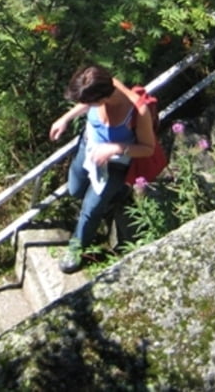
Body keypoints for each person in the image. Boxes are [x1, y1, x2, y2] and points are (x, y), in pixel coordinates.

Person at [49, 64, 157, 273]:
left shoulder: (137, 111)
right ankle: (111, 198)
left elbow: (148, 149)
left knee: (90, 210)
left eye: (88, 103)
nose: (85, 106)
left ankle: (77, 247)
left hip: (114, 164)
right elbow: (85, 104)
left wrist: (114, 148)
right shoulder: (107, 85)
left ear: (101, 100)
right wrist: (66, 118)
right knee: (75, 190)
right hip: (87, 148)